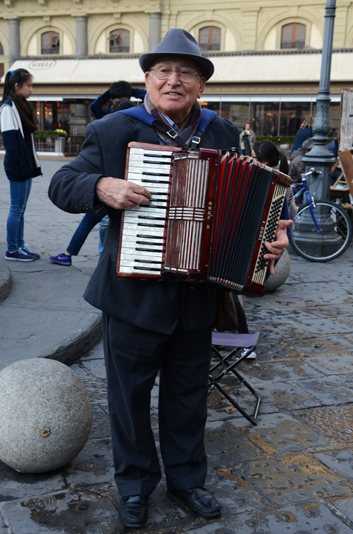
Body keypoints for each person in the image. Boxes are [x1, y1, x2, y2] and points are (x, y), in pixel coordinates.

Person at [48, 28, 291, 529]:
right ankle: (135, 485)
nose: (174, 80)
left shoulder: (221, 133)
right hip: (133, 296)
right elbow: (61, 184)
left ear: (201, 85)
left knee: (188, 397)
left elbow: (246, 205)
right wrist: (102, 185)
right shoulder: (115, 130)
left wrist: (266, 240)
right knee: (129, 400)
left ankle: (187, 480)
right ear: (147, 79)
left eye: (186, 72)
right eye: (164, 71)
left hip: (199, 295)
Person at [50, 100, 136, 267]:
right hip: (121, 190)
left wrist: (111, 94)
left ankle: (74, 255)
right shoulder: (137, 134)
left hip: (108, 190)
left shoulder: (110, 133)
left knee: (90, 223)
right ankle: (104, 256)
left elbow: (96, 106)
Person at [0, 68, 42, 261]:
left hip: (26, 164)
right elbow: (11, 143)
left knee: (21, 209)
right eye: (29, 85)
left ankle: (20, 245)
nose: (31, 89)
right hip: (18, 166)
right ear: (17, 86)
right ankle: (12, 249)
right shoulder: (9, 107)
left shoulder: (22, 105)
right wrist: (21, 166)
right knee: (16, 208)